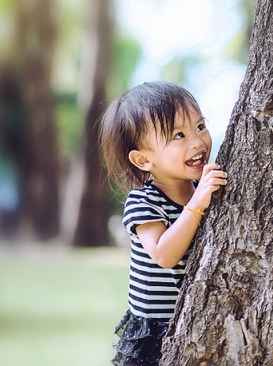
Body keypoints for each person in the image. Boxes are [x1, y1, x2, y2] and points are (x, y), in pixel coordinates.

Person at [99, 81, 227, 365]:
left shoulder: (203, 191)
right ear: (143, 159)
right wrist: (197, 205)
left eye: (200, 127)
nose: (197, 142)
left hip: (195, 323)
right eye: (178, 135)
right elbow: (164, 254)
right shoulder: (143, 202)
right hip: (155, 333)